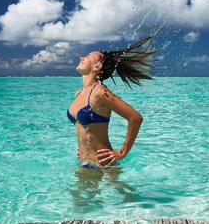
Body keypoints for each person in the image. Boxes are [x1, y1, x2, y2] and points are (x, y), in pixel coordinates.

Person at [67, 35, 158, 169]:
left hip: (104, 166)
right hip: (84, 164)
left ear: (97, 66)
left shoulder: (100, 92)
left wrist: (122, 152)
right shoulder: (79, 94)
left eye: (87, 57)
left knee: (125, 191)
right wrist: (83, 147)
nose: (82, 58)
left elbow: (135, 118)